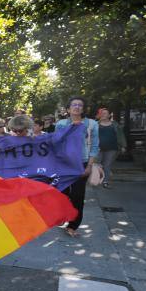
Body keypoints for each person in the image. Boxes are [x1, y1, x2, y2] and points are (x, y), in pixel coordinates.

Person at [56, 97, 99, 237]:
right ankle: (63, 214)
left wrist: (90, 166)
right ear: (68, 109)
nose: (77, 107)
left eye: (80, 105)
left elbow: (94, 146)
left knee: (78, 195)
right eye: (74, 105)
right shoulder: (61, 124)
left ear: (83, 109)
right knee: (61, 192)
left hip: (82, 163)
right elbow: (55, 143)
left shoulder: (91, 124)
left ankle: (73, 226)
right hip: (64, 163)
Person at [96, 107, 126, 188]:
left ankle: (105, 181)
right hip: (98, 148)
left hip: (112, 148)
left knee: (107, 165)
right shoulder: (96, 124)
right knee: (97, 164)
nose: (103, 114)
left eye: (105, 113)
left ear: (109, 115)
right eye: (102, 113)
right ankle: (98, 179)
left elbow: (120, 135)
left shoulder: (115, 124)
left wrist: (123, 145)